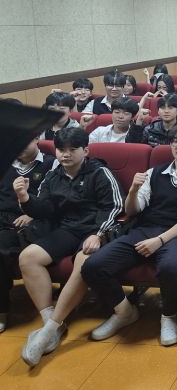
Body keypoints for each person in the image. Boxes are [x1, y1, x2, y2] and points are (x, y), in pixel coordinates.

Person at [81, 124, 177, 346]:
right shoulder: (154, 172)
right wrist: (133, 191)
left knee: (172, 267)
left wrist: (160, 240)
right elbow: (132, 210)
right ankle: (124, 312)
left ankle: (169, 315)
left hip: (176, 235)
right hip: (144, 229)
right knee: (93, 266)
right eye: (174, 141)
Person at [14, 128, 123, 367]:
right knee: (28, 257)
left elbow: (114, 207)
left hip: (95, 230)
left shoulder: (100, 172)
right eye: (61, 150)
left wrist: (98, 234)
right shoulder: (54, 175)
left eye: (73, 149)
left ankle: (48, 331)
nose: (66, 154)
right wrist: (24, 198)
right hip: (66, 229)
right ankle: (52, 324)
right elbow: (44, 209)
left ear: (86, 150)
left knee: (85, 261)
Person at [0, 135, 56, 333]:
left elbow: (55, 199)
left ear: (37, 138)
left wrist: (32, 214)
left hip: (31, 221)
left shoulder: (51, 163)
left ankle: (1, 310)